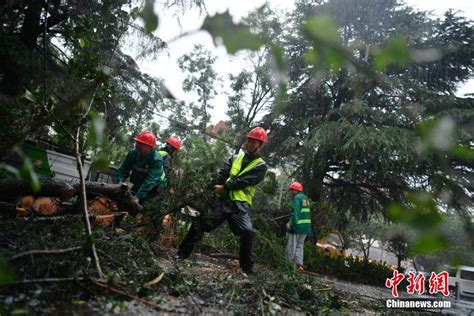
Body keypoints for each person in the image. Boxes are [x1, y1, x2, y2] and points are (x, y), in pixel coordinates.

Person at [177, 127, 269, 275]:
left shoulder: (261, 166)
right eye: (250, 140)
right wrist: (208, 189)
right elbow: (222, 175)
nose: (251, 144)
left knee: (248, 232)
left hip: (239, 206)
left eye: (255, 142)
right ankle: (181, 254)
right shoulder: (234, 158)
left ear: (261, 145)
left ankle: (247, 268)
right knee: (200, 223)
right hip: (223, 202)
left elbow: (245, 181)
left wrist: (225, 186)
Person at [116, 131, 165, 206]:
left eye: (141, 144)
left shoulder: (156, 159)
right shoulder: (133, 153)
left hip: (153, 190)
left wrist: (138, 197)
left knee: (142, 209)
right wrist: (119, 183)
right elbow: (123, 170)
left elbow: (150, 181)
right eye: (137, 142)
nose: (137, 145)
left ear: (149, 146)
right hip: (137, 185)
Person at [286, 182, 312, 272]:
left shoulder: (297, 198)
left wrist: (290, 223)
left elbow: (295, 212)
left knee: (291, 246)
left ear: (296, 190)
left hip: (297, 227)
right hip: (305, 228)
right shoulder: (306, 199)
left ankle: (288, 266)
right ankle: (299, 265)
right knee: (299, 246)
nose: (291, 192)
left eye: (292, 190)